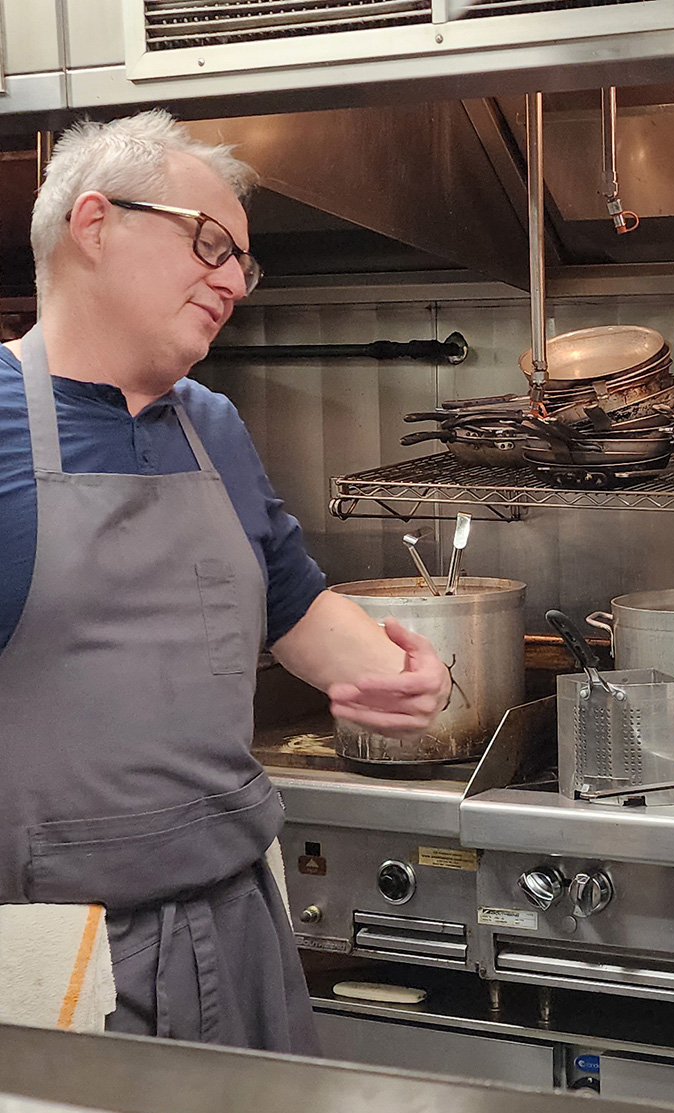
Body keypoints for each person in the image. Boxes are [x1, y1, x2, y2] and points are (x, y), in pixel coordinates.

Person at [0, 111, 451, 1051]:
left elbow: (294, 606)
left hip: (240, 929)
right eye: (208, 244)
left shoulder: (214, 427)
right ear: (94, 224)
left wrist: (404, 674)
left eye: (241, 263)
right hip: (52, 953)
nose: (230, 283)